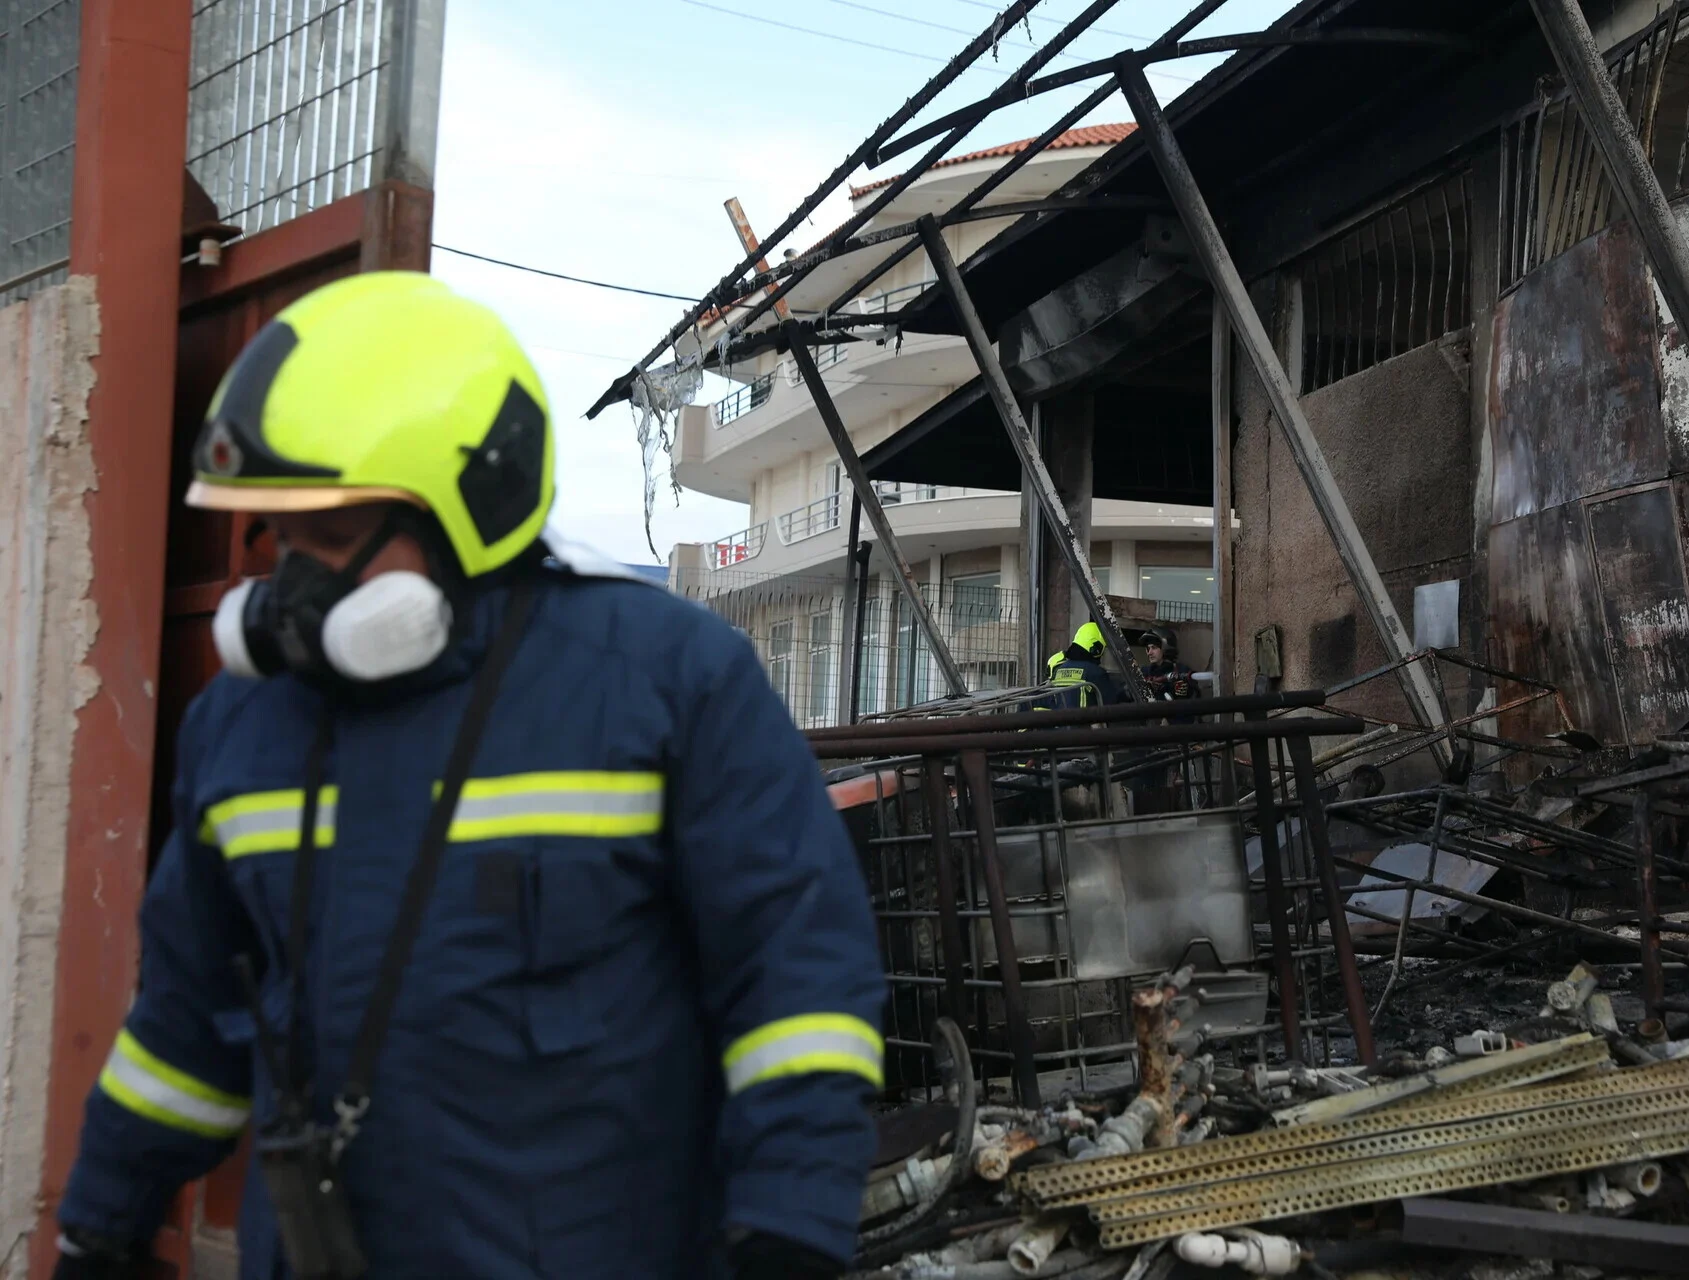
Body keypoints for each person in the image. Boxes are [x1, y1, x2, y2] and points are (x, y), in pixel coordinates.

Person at [52, 273, 884, 1280]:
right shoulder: (245, 720)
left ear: (472, 500)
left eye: (330, 535)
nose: (289, 588)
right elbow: (185, 1024)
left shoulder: (668, 682)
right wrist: (103, 1224)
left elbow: (796, 982)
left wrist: (788, 1229)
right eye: (280, 540)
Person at [1048, 621, 1128, 709]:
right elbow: (1111, 703)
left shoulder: (1058, 671)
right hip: (1084, 722)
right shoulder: (1095, 673)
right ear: (1096, 648)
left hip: (1060, 722)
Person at [1141, 629, 1198, 703]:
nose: (1149, 653)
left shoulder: (1182, 671)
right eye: (1148, 649)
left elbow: (1196, 697)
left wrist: (1187, 691)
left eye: (1154, 647)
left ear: (1166, 647)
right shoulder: (1144, 672)